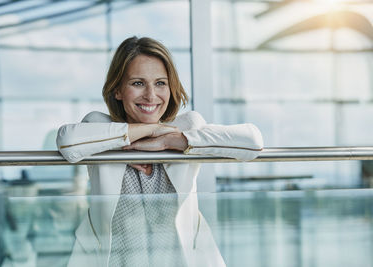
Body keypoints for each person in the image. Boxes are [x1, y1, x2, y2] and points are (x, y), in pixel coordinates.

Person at [56, 36, 263, 267]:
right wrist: (149, 129)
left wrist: (174, 141)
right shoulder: (100, 130)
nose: (151, 96)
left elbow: (252, 142)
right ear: (117, 90)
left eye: (160, 83)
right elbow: (68, 142)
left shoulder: (186, 128)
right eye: (137, 83)